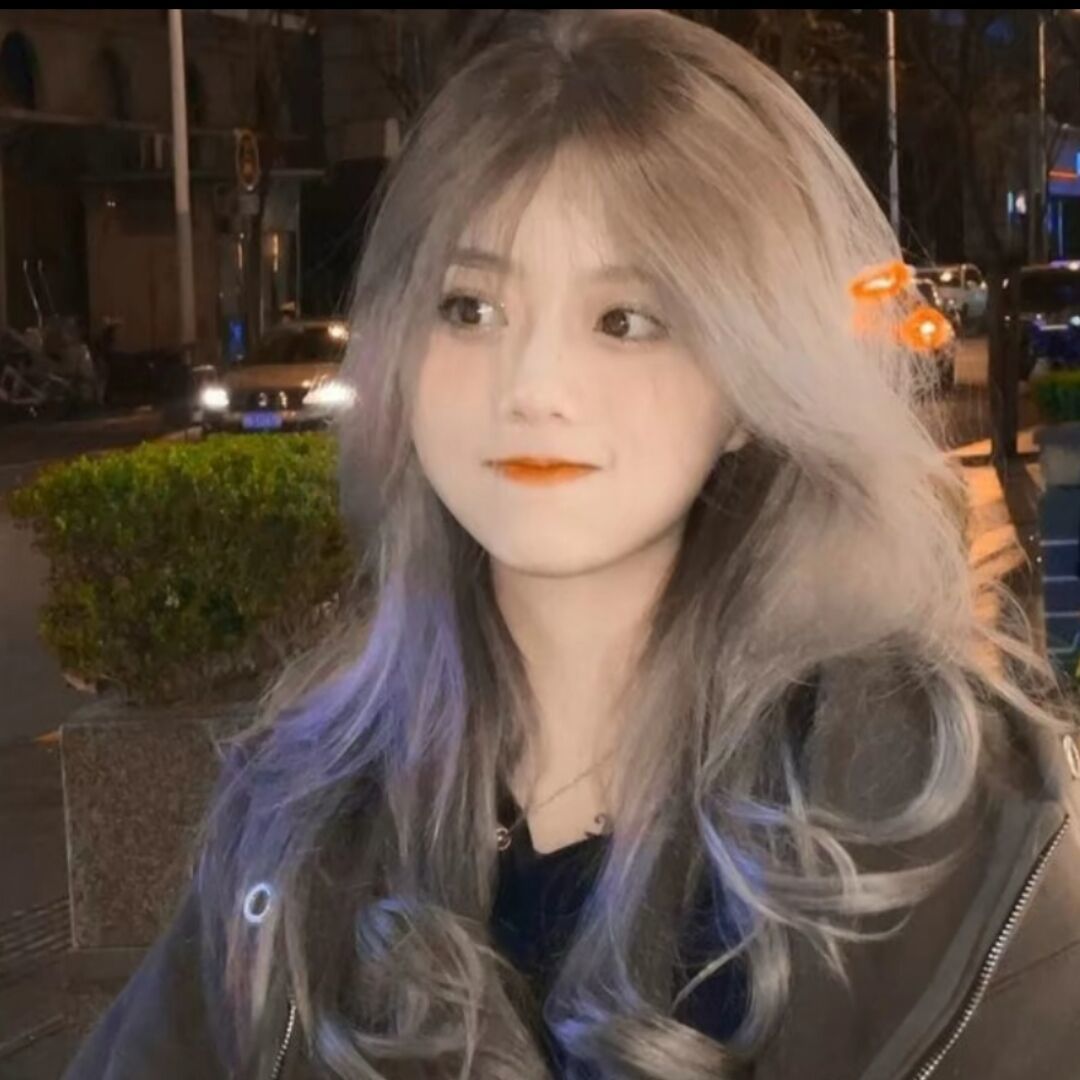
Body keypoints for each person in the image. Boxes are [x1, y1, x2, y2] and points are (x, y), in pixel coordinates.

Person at [66, 10, 1080, 1079]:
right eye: (470, 308)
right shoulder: (300, 816)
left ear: (752, 382)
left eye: (625, 319)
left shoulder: (941, 816)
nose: (533, 387)